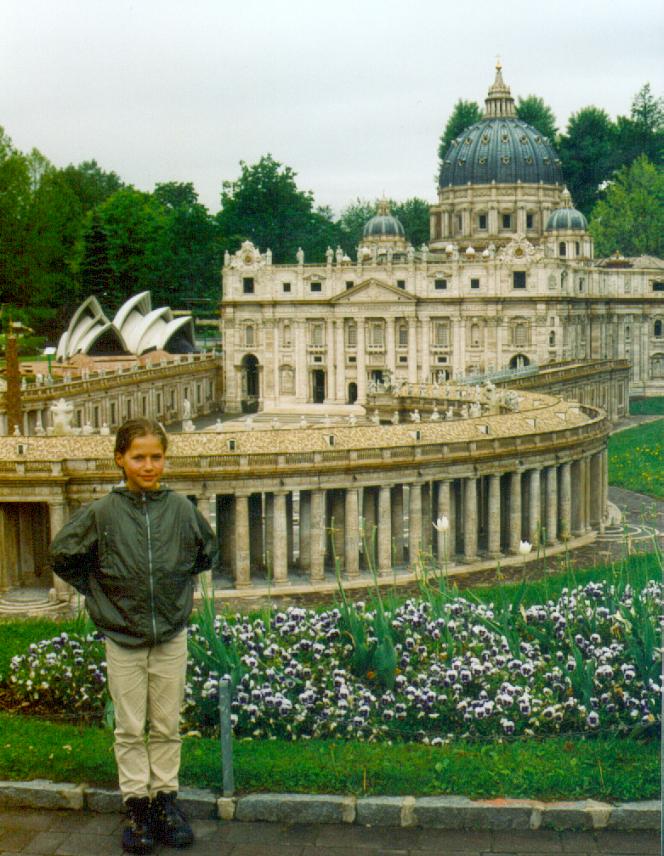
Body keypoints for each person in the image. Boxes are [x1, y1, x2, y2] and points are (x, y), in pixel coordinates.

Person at [49, 418, 218, 854]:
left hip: (169, 637)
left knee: (165, 726)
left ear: (165, 459)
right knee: (129, 727)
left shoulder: (180, 509)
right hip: (122, 637)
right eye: (138, 457)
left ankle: (165, 801)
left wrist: (175, 586)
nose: (148, 465)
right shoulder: (102, 512)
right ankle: (137, 806)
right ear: (119, 459)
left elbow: (206, 550)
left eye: (156, 457)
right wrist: (97, 591)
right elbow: (62, 554)